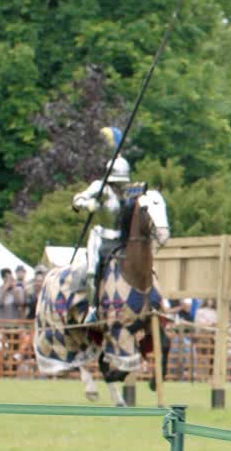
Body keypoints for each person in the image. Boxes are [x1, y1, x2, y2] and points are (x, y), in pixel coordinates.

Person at [70, 132, 168, 318]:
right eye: (118, 183)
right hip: (101, 237)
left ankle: (150, 301)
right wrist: (88, 204)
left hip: (122, 239)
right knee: (92, 271)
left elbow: (145, 203)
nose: (120, 187)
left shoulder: (130, 190)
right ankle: (91, 309)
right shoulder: (101, 187)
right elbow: (77, 199)